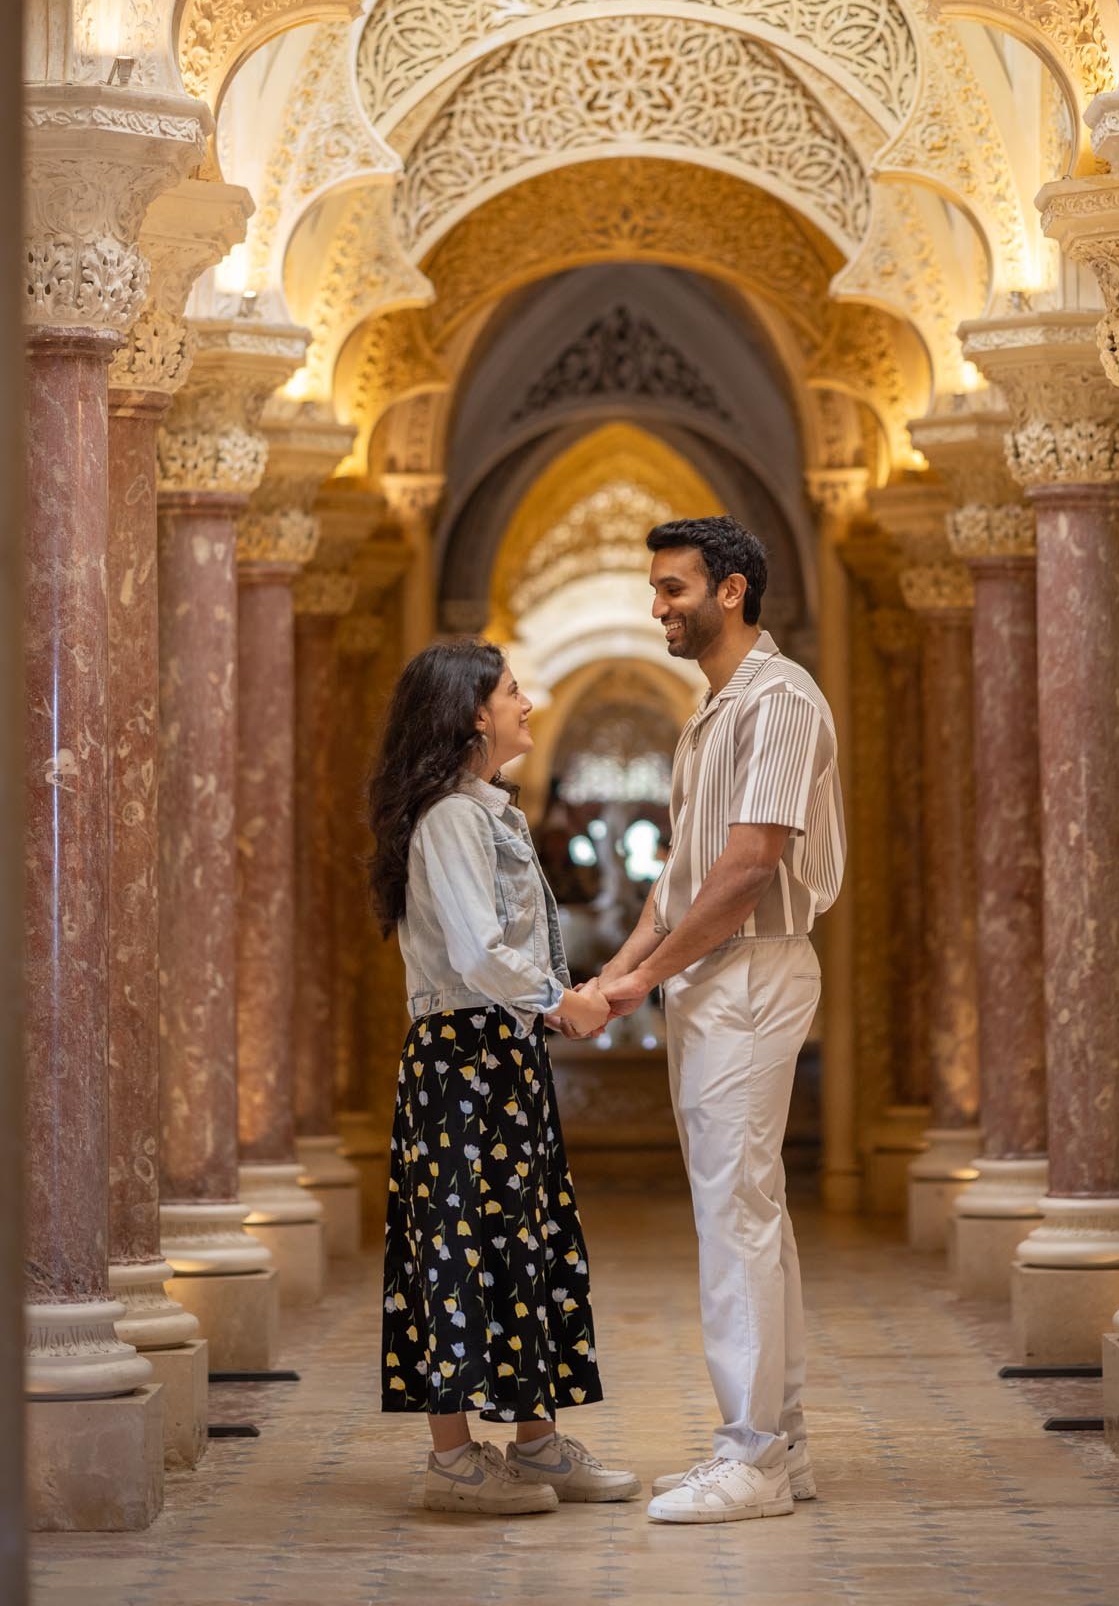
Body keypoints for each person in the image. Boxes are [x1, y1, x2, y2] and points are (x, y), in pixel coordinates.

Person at [599, 517, 846, 1526]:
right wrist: (618, 975)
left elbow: (747, 866)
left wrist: (645, 973)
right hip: (710, 978)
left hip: (749, 973)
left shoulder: (779, 700)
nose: (657, 605)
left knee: (734, 1216)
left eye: (672, 588)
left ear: (731, 589)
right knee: (753, 1207)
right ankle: (777, 1441)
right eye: (655, 589)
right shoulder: (712, 709)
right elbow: (683, 871)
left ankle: (749, 1456)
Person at [367, 641, 640, 1515]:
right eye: (515, 691)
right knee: (455, 1245)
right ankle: (453, 1458)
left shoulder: (495, 813)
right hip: (460, 1059)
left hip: (501, 1055)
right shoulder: (450, 817)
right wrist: (564, 1003)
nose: (530, 702)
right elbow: (477, 952)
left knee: (520, 1243)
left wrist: (557, 1004)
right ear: (473, 712)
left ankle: (536, 1443)